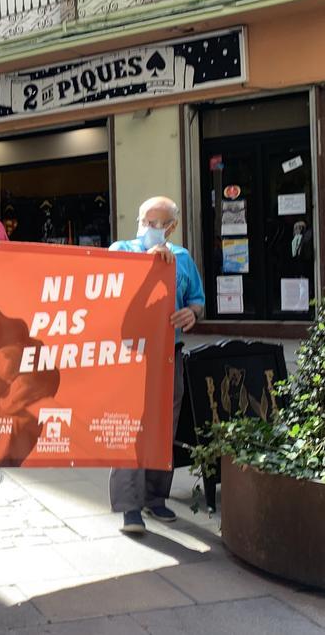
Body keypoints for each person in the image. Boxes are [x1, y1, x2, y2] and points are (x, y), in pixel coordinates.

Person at [108, 196, 205, 535]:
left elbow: (197, 301)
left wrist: (192, 313)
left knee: (165, 425)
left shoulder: (183, 258)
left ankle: (155, 496)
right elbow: (110, 285)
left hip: (169, 353)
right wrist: (147, 263)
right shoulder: (122, 248)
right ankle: (129, 507)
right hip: (130, 353)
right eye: (145, 221)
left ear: (171, 227)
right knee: (130, 427)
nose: (149, 228)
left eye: (156, 223)